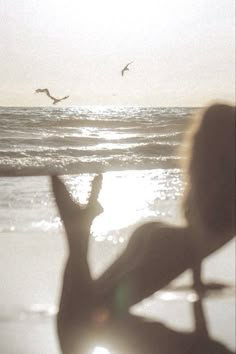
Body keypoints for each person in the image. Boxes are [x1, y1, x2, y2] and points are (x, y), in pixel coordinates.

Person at [52, 103, 235, 353]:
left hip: (157, 236)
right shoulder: (227, 191)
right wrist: (196, 281)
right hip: (170, 250)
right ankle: (78, 234)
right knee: (90, 316)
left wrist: (198, 284)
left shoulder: (207, 186)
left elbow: (198, 230)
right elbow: (201, 239)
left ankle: (79, 232)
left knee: (86, 309)